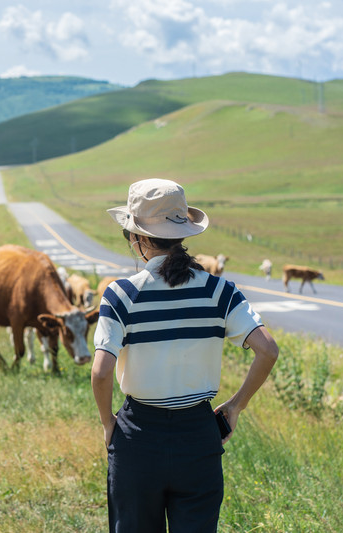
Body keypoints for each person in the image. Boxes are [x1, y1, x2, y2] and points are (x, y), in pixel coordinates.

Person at [91, 178, 279, 533]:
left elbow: (101, 373)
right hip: (199, 435)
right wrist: (236, 405)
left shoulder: (121, 294)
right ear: (183, 234)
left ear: (139, 239)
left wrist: (107, 424)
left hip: (137, 437)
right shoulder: (219, 290)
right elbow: (268, 350)